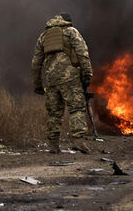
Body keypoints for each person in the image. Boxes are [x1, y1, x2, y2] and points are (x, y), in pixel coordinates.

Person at [31, 13, 94, 153]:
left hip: (51, 79)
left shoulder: (44, 36)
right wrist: (87, 74)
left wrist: (38, 85)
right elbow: (83, 54)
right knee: (76, 108)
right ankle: (78, 141)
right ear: (67, 22)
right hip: (70, 77)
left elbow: (36, 63)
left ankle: (53, 145)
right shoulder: (71, 32)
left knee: (54, 113)